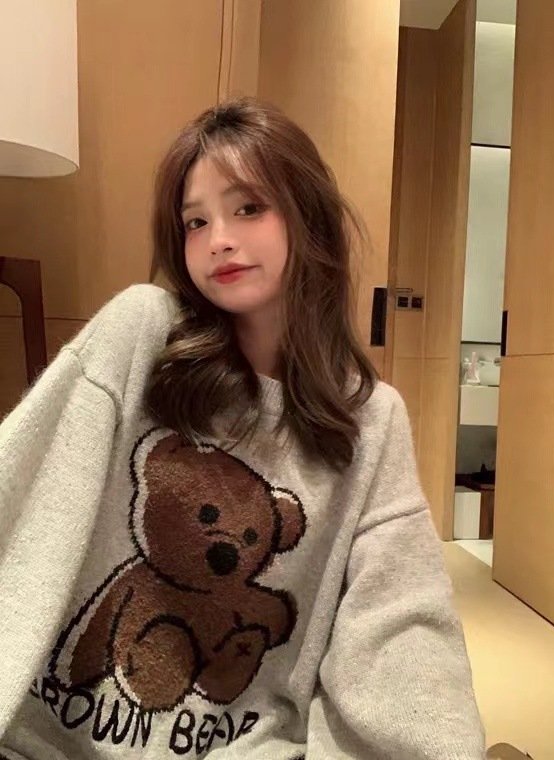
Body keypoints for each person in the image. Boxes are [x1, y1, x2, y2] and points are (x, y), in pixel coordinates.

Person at [0, 98, 485, 759]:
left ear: (307, 215)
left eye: (248, 208)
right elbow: (20, 484)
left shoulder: (370, 419)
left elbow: (401, 618)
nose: (219, 239)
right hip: (52, 741)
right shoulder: (142, 334)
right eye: (195, 221)